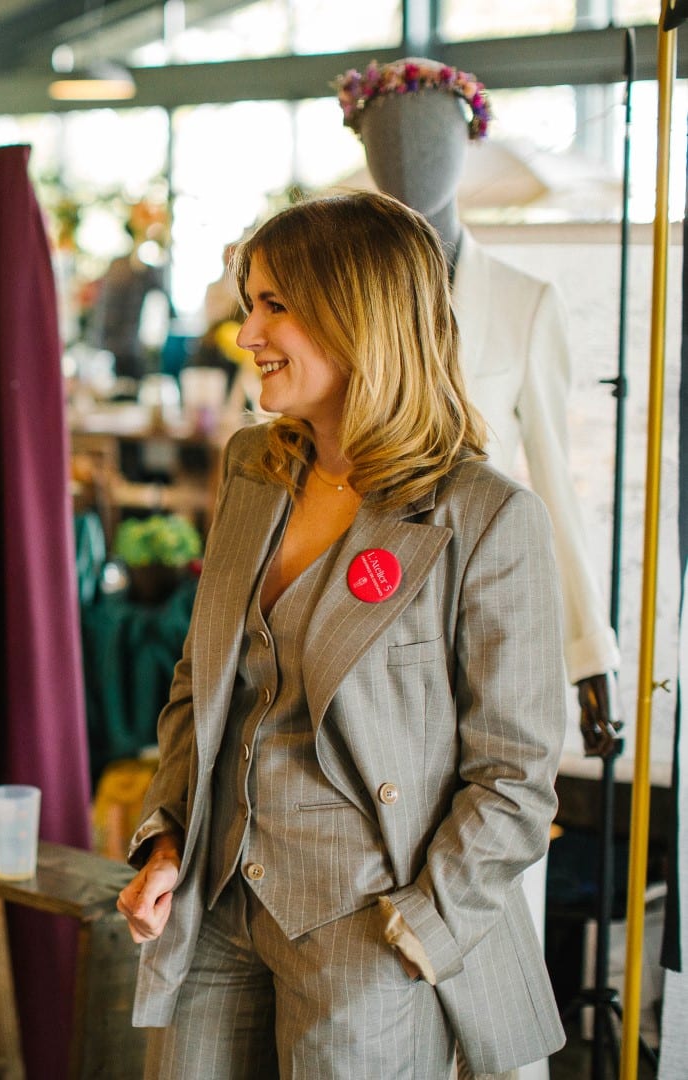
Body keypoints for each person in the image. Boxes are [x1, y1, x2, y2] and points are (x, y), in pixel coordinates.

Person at [116, 192, 565, 1078]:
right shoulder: (255, 466)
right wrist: (167, 837)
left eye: (274, 305)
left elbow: (515, 777)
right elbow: (199, 682)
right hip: (217, 899)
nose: (247, 334)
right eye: (250, 304)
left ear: (359, 313)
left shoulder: (486, 517)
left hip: (371, 933)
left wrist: (423, 928)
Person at [338, 57, 623, 758]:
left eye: (429, 137)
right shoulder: (337, 303)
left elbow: (554, 482)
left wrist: (589, 652)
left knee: (496, 808)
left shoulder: (526, 304)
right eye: (387, 141)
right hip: (359, 598)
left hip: (487, 596)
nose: (408, 160)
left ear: (467, 141)